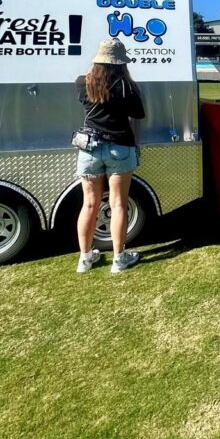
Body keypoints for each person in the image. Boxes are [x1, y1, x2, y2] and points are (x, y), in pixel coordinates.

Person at [75, 38, 145, 274]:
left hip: (89, 148)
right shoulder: (126, 87)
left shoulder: (82, 83)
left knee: (89, 204)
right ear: (121, 62)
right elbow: (139, 113)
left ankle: (85, 259)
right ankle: (119, 259)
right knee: (118, 204)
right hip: (119, 147)